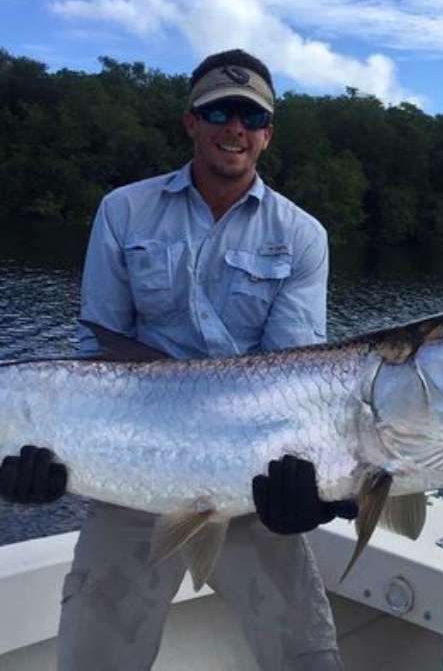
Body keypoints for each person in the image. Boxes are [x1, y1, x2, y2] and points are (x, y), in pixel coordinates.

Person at [0, 49, 354, 671]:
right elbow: (95, 357)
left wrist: (319, 489)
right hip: (134, 473)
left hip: (254, 478)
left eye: (250, 115)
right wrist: (37, 455)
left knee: (310, 658)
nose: (233, 127)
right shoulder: (123, 210)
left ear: (267, 134)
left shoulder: (302, 236)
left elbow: (295, 380)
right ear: (191, 120)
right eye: (218, 110)